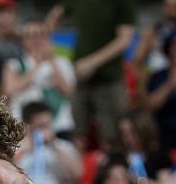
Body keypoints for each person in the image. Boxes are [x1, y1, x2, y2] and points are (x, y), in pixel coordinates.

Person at [45, 0, 135, 151]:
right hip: (81, 79)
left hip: (109, 78)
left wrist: (93, 62)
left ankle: (113, 172)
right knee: (76, 136)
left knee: (112, 137)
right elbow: (56, 14)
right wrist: (47, 41)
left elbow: (124, 40)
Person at [1, 20, 76, 137]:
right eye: (30, 35)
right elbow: (9, 90)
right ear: (23, 40)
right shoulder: (13, 64)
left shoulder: (62, 63)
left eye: (41, 34)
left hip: (58, 127)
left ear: (49, 38)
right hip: (24, 128)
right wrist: (36, 66)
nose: (36, 39)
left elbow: (69, 91)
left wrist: (51, 62)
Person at [15, 101, 82, 184]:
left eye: (48, 125)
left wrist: (54, 146)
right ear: (27, 126)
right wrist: (25, 149)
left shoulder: (64, 147)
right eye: (41, 126)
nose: (46, 131)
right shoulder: (19, 150)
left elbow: (77, 173)